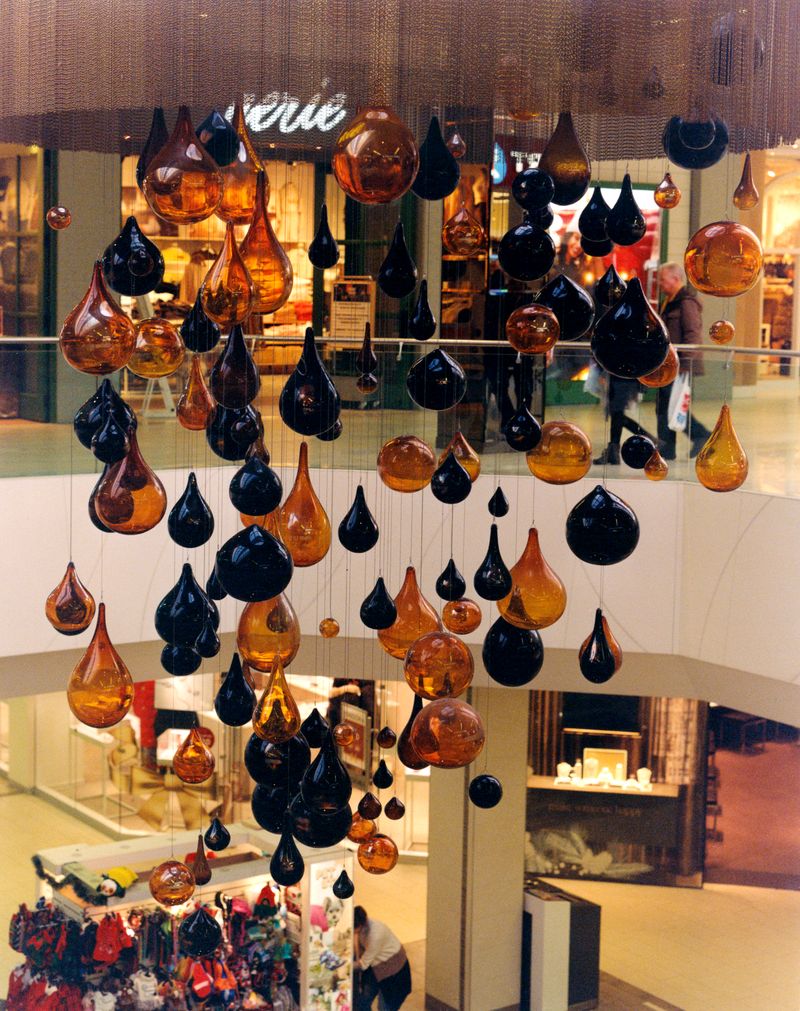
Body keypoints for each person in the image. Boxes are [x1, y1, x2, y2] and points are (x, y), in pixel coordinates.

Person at [657, 263, 712, 459]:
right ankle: (667, 448)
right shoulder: (668, 301)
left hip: (680, 366)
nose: (660, 283)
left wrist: (684, 364)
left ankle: (702, 435)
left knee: (674, 405)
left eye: (663, 279)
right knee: (665, 405)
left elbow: (693, 335)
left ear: (675, 279)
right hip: (668, 366)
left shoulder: (686, 302)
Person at [353, 906, 411, 1011]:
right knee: (363, 1001)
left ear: (361, 925)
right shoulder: (361, 928)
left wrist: (344, 966)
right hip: (375, 965)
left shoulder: (376, 934)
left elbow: (363, 964)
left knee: (385, 1006)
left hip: (393, 972)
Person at [592, 374, 656, 465]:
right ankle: (613, 451)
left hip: (622, 377)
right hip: (621, 377)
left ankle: (614, 452)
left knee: (617, 414)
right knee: (617, 415)